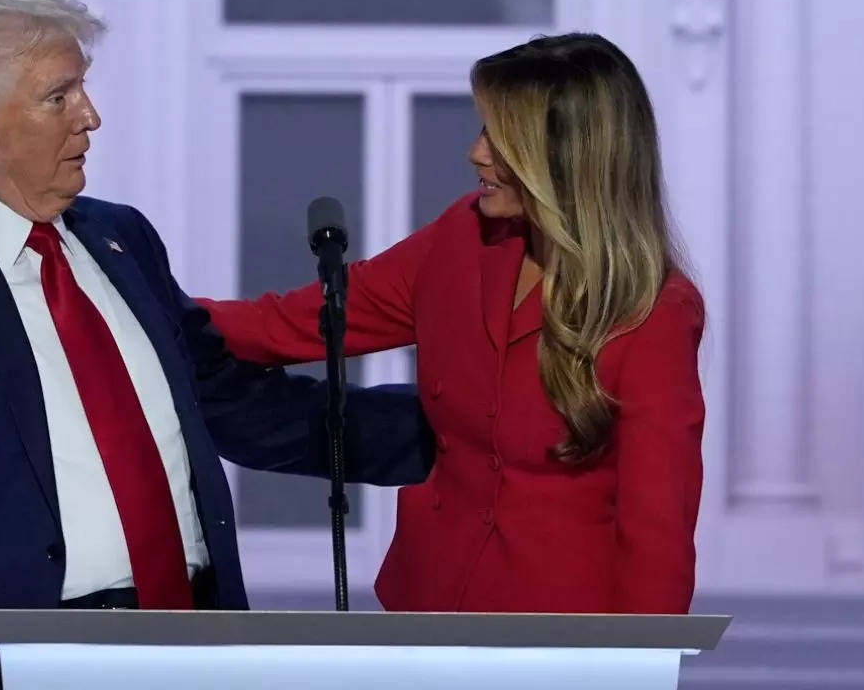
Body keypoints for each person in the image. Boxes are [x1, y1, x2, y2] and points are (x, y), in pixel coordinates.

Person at [0, 0, 430, 689]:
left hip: (176, 642)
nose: (91, 116)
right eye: (59, 96)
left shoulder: (122, 239)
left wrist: (468, 428)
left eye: (83, 87)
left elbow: (240, 407)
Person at [200, 33, 706, 615]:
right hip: (428, 607)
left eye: (499, 137)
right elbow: (296, 323)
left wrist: (639, 661)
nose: (476, 153)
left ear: (565, 157)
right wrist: (136, 303)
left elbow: (657, 525)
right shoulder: (464, 237)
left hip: (562, 635)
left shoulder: (654, 311)